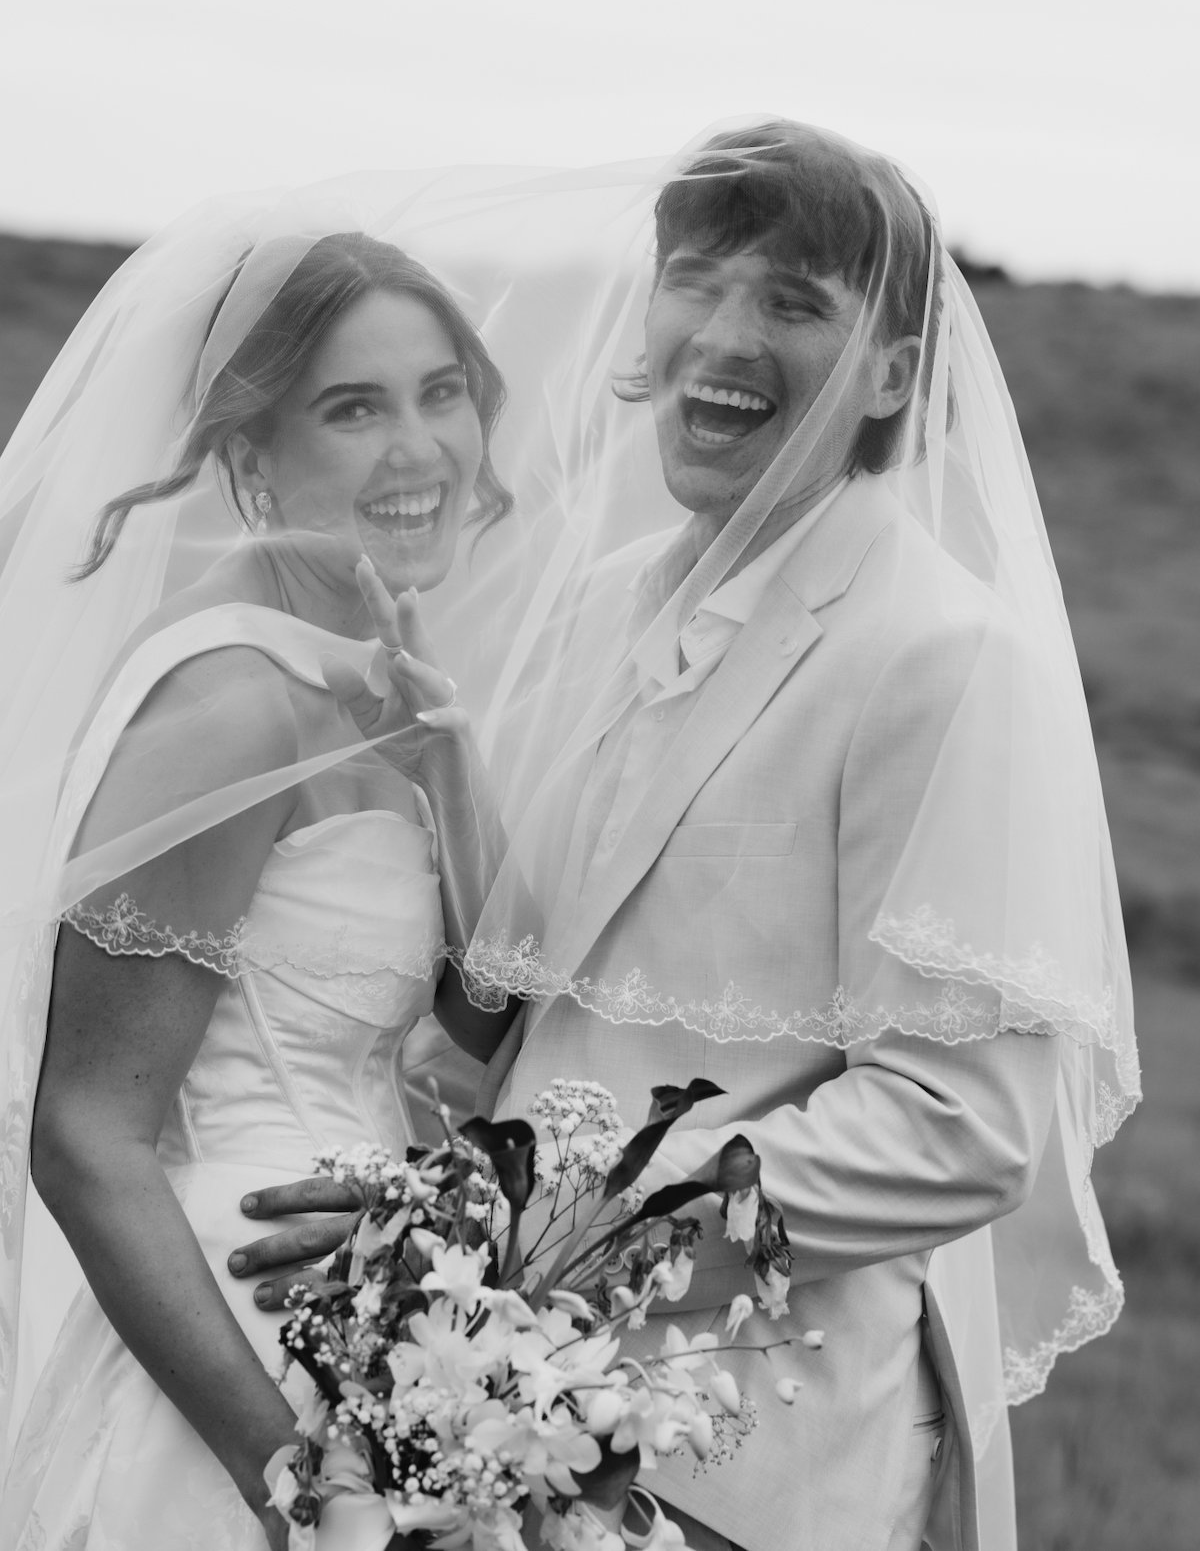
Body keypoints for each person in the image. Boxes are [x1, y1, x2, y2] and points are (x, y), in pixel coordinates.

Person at [236, 125, 1140, 1551]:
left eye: (795, 302)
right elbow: (523, 990)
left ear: (896, 372)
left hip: (752, 1463)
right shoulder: (594, 601)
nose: (724, 332)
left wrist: (530, 1243)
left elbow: (956, 1129)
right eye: (698, 279)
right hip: (476, 1419)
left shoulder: (944, 656)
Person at [0, 227, 521, 1549]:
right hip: (241, 1355)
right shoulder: (234, 709)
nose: (419, 449)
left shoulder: (373, 677)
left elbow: (485, 1016)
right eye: (355, 407)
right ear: (249, 457)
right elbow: (85, 1131)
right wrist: (287, 1467)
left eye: (440, 391)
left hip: (385, 1329)